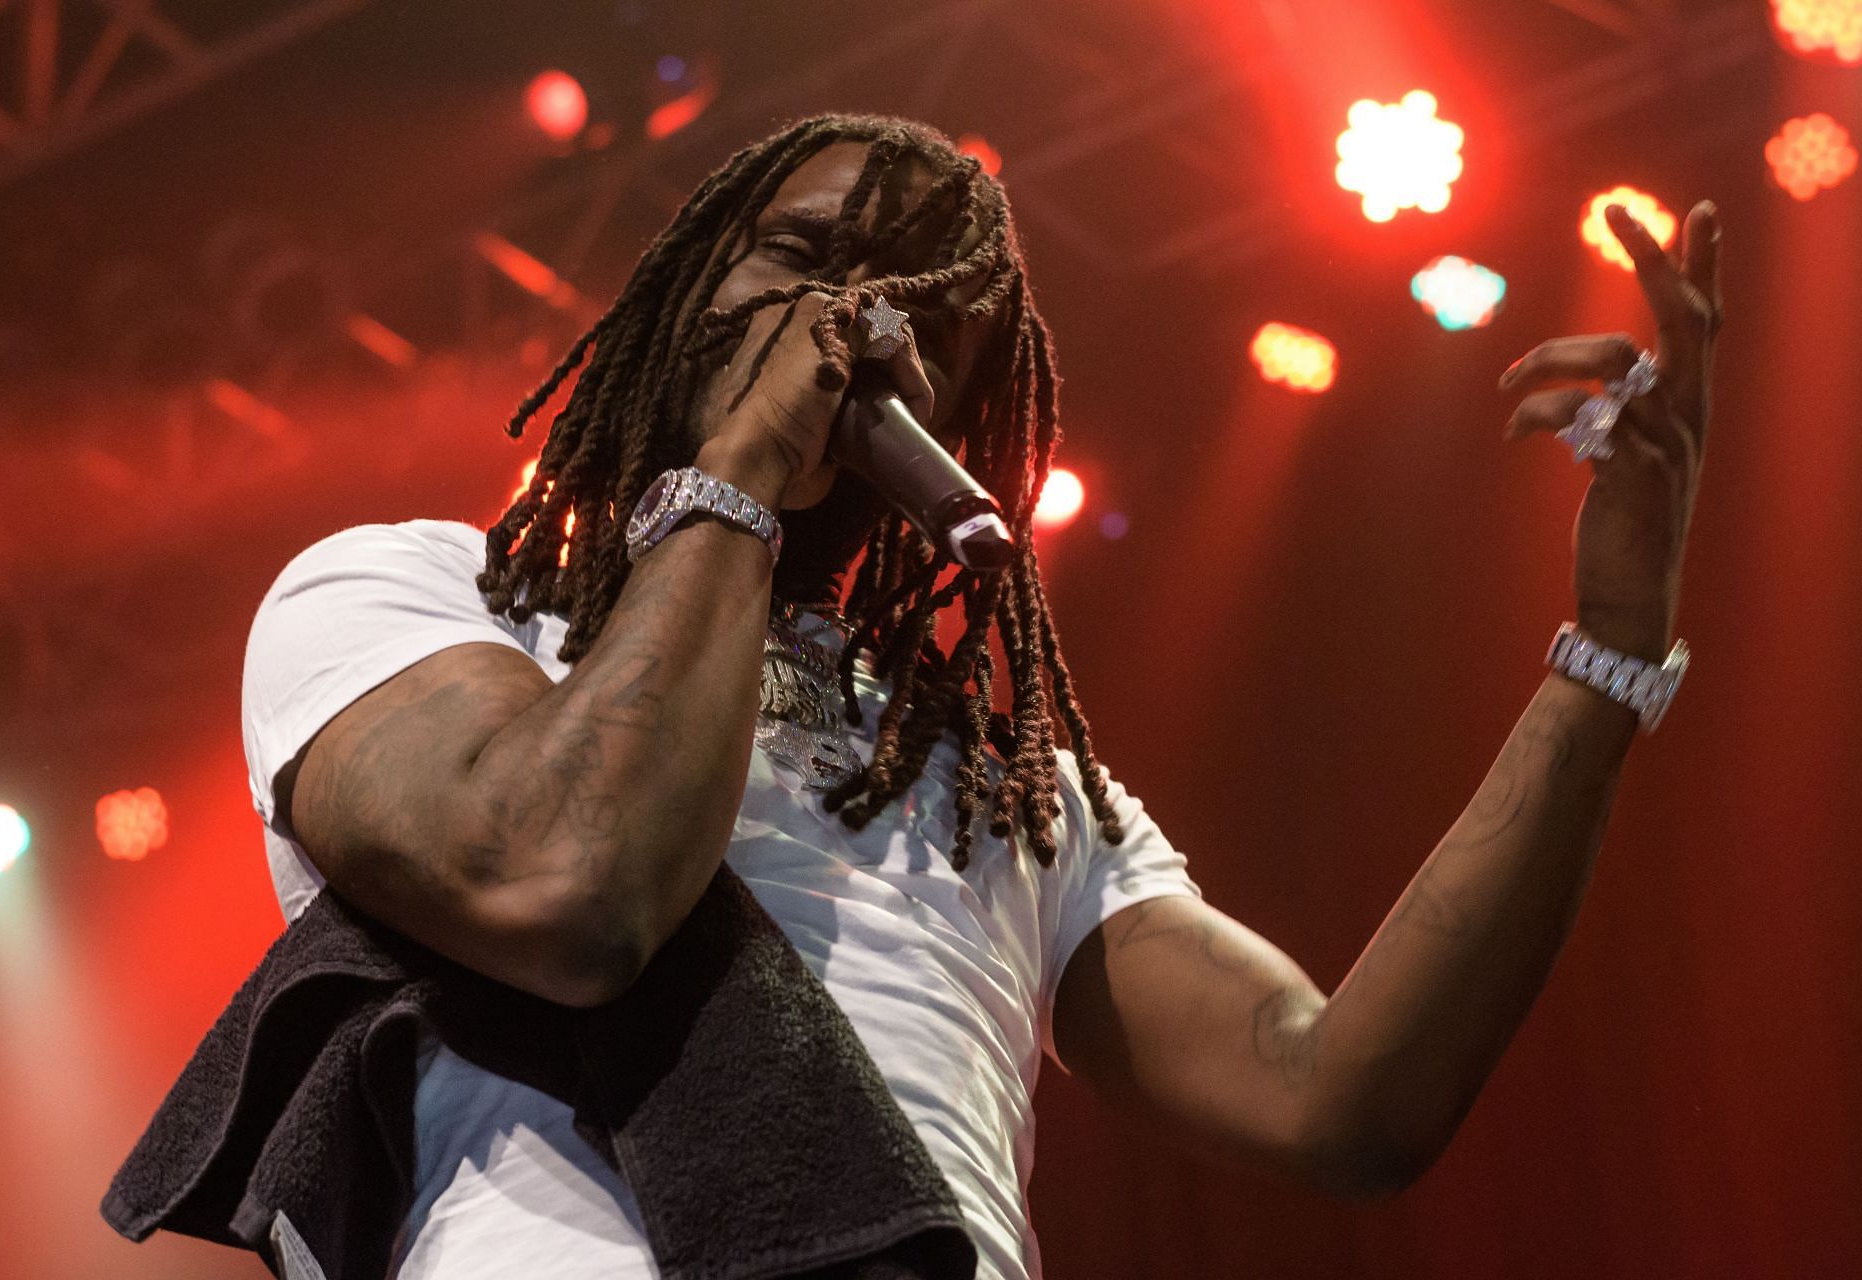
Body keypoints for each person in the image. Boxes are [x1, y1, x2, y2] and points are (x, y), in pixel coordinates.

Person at [238, 114, 1723, 1278]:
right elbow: (573, 883)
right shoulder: (421, 599)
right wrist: (740, 470)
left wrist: (1605, 655)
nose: (847, 319)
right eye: (800, 258)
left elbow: (1341, 1102)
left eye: (915, 323)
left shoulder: (1009, 782)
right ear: (690, 283)